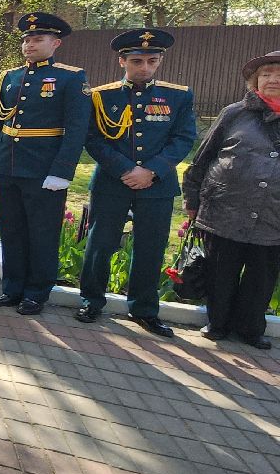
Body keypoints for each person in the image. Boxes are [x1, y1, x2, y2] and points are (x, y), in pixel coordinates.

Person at [76, 30, 196, 338]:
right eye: (137, 61)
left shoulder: (178, 95)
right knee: (100, 244)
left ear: (159, 62)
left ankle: (144, 310)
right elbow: (92, 138)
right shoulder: (100, 95)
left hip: (157, 186)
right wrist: (125, 169)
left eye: (151, 61)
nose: (144, 67)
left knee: (150, 248)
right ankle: (91, 300)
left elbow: (183, 138)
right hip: (112, 183)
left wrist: (151, 171)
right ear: (122, 61)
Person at [0, 13, 89, 315]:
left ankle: (36, 292)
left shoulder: (70, 77)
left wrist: (62, 171)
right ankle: (12, 288)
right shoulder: (9, 77)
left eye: (37, 39)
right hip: (7, 166)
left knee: (42, 232)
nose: (29, 45)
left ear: (56, 43)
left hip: (43, 170)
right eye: (26, 40)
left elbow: (76, 129)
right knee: (11, 229)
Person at [181, 49, 280, 351]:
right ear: (255, 81)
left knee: (261, 276)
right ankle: (218, 323)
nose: (273, 79)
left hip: (273, 215)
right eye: (266, 74)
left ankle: (250, 328)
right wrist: (192, 197)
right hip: (224, 208)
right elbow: (203, 158)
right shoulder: (234, 113)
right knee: (220, 270)